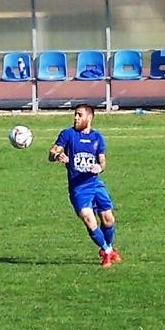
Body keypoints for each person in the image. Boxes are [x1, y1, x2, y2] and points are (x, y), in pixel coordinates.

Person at [48, 104, 121, 268]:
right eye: (75, 115)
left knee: (108, 219)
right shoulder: (68, 134)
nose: (75, 118)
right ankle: (107, 251)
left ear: (89, 118)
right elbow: (52, 152)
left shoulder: (97, 138)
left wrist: (100, 167)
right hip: (78, 188)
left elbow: (102, 159)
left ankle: (107, 249)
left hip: (95, 184)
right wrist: (58, 155)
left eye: (79, 115)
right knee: (89, 219)